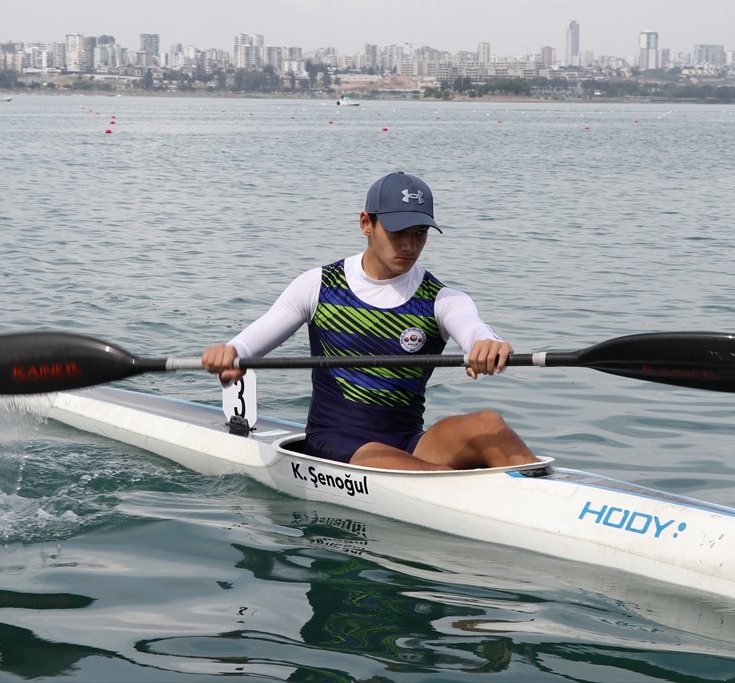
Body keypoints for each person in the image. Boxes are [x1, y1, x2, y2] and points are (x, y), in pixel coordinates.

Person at [202, 171, 538, 472]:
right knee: (435, 478)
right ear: (366, 223)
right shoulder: (318, 285)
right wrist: (231, 354)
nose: (410, 246)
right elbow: (250, 342)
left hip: (409, 442)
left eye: (420, 233)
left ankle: (544, 494)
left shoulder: (443, 299)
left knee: (487, 423)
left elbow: (474, 329)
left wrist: (487, 344)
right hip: (333, 443)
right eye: (398, 232)